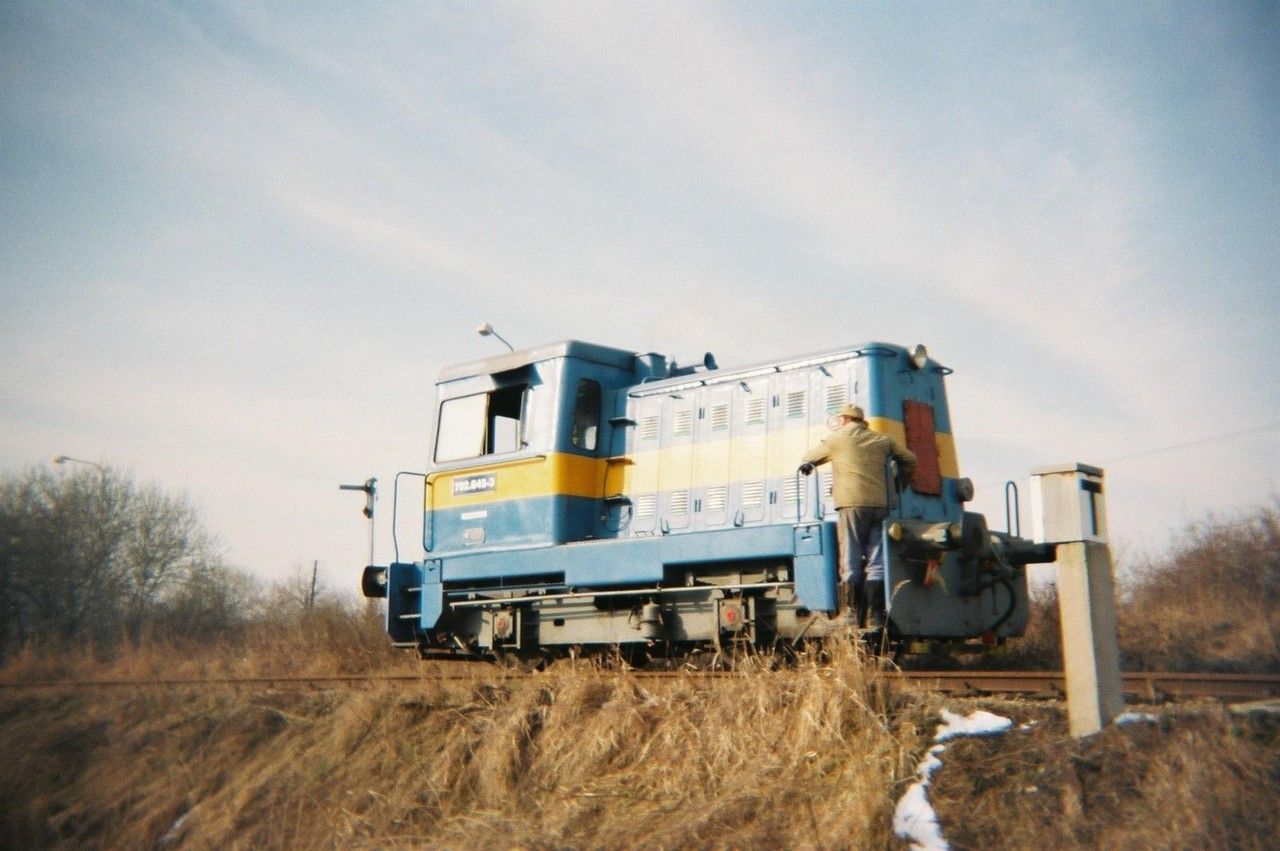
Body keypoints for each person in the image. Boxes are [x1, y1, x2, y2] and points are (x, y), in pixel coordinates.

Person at [799, 403, 916, 629]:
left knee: (851, 559)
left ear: (844, 420)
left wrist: (810, 463)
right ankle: (876, 616)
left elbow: (809, 457)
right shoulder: (882, 440)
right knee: (876, 563)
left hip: (852, 506)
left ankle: (850, 614)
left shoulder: (837, 439)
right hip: (880, 505)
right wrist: (899, 484)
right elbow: (910, 459)